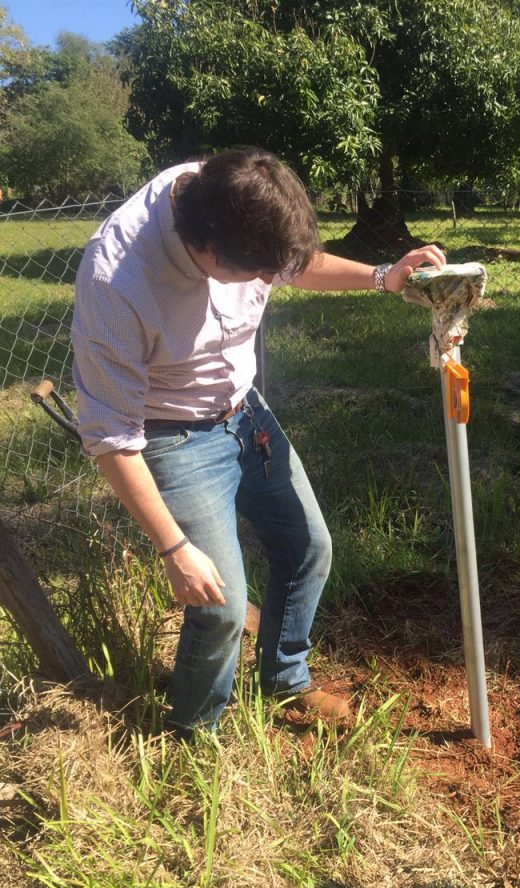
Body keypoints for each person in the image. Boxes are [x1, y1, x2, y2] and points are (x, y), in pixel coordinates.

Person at [71, 146, 445, 737]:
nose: (272, 283)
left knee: (309, 548)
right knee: (219, 606)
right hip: (170, 434)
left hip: (247, 413)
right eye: (259, 274)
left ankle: (285, 680)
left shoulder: (237, 200)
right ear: (209, 249)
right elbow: (111, 437)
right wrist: (173, 549)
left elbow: (295, 262)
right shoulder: (118, 281)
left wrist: (384, 276)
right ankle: (193, 737)